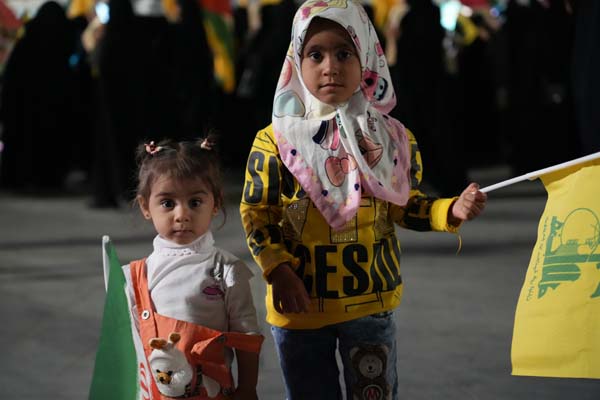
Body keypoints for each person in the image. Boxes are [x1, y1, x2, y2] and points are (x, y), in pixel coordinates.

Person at [239, 1, 487, 399]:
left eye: (344, 53)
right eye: (315, 55)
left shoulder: (391, 138)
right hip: (299, 307)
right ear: (295, 61)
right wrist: (278, 270)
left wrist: (448, 209)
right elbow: (258, 213)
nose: (330, 67)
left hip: (369, 305)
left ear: (368, 58)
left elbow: (404, 204)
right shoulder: (275, 142)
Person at [124, 136, 263, 399]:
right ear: (145, 206)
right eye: (168, 203)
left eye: (195, 202)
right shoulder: (135, 276)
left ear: (216, 204)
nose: (182, 215)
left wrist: (247, 388)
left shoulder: (227, 270)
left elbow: (247, 337)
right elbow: (129, 350)